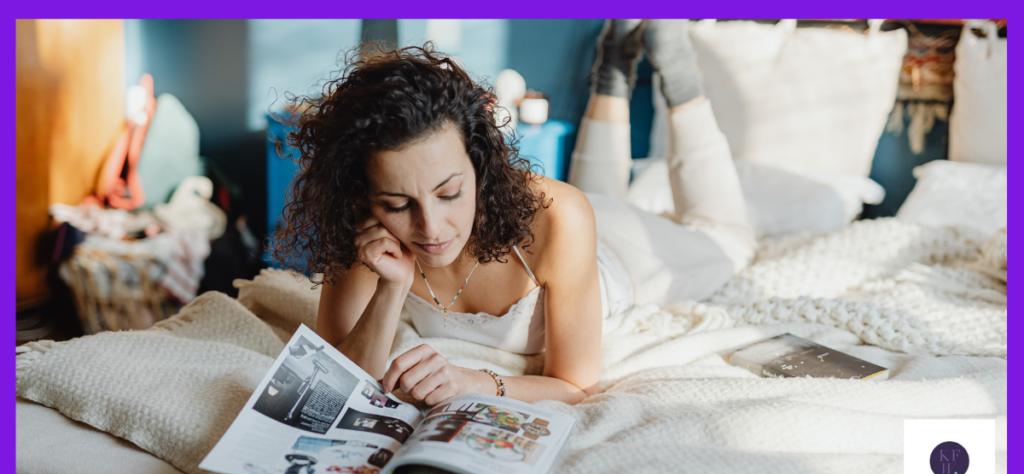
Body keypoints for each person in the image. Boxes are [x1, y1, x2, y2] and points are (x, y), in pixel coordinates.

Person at [273, 20, 756, 407]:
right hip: (565, 220)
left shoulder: (560, 216)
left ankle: (682, 84)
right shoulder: (365, 231)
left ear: (479, 166)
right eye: (398, 205)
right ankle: (610, 71)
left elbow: (576, 386)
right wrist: (391, 288)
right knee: (585, 196)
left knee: (731, 242)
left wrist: (477, 382)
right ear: (361, 196)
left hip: (615, 255)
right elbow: (338, 376)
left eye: (450, 193)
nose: (431, 229)